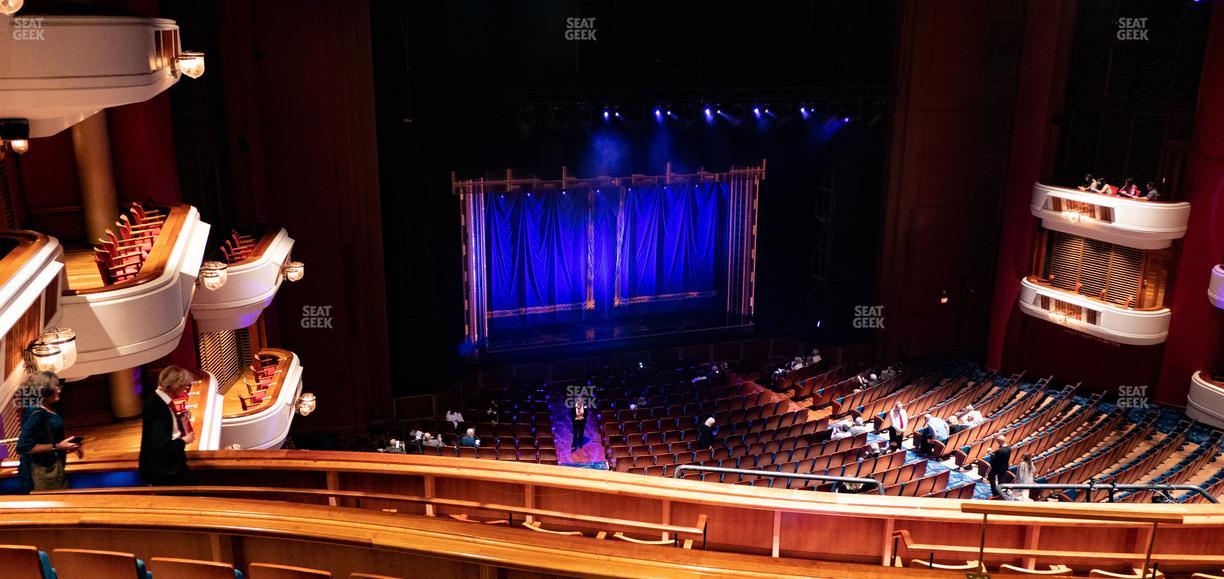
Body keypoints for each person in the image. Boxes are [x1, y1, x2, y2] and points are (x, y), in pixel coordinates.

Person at [15, 372, 82, 492]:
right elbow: (23, 447)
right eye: (54, 387)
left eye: (58, 386)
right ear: (43, 390)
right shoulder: (35, 412)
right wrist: (58, 446)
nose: (59, 390)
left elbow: (44, 436)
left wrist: (66, 446)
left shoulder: (44, 407)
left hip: (52, 466)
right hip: (43, 472)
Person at [139, 366, 198, 486]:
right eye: (184, 385)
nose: (186, 389)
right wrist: (183, 441)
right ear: (175, 385)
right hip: (165, 471)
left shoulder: (158, 400)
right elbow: (161, 447)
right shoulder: (157, 408)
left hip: (167, 466)